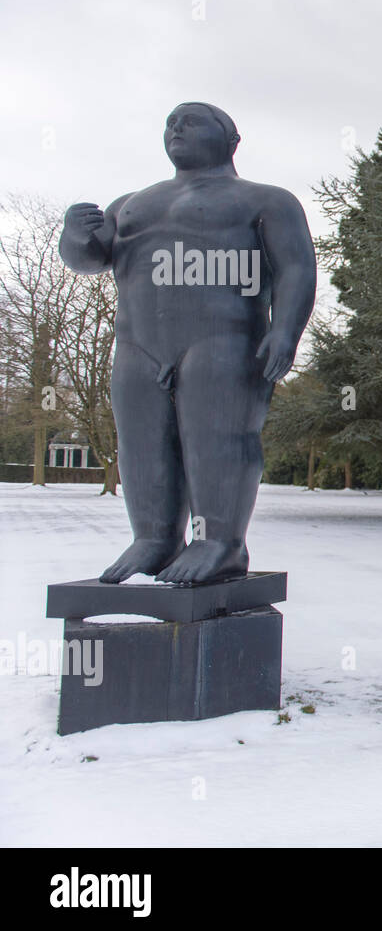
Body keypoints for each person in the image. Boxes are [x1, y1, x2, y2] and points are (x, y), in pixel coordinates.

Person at [59, 103, 316, 585]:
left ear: (231, 138)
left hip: (224, 340)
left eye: (191, 121)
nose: (176, 128)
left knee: (217, 439)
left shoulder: (265, 200)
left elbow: (296, 268)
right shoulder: (131, 204)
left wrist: (286, 331)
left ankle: (220, 542)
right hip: (138, 343)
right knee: (141, 442)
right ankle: (153, 539)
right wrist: (74, 237)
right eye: (170, 123)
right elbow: (92, 258)